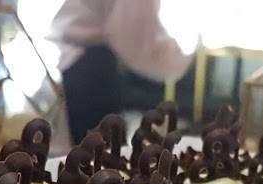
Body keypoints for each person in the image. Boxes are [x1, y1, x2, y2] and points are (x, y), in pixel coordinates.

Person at [47, 0, 196, 143]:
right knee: (99, 150)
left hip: (83, 59)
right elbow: (135, 36)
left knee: (95, 147)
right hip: (91, 65)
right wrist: (182, 61)